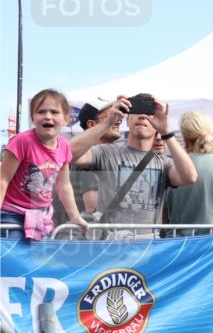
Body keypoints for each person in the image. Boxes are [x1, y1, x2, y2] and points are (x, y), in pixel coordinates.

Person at [73, 93, 198, 238]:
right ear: (127, 119)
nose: (142, 116)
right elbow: (67, 154)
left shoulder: (163, 162)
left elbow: (190, 176)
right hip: (111, 248)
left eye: (150, 113)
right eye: (137, 110)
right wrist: (107, 122)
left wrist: (166, 132)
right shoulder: (106, 153)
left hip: (147, 248)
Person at [0, 89, 94, 239]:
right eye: (41, 112)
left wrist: (75, 216)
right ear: (32, 118)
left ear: (66, 119)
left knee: (38, 258)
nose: (47, 116)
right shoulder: (21, 141)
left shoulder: (64, 146)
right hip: (12, 214)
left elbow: (63, 185)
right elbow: (3, 180)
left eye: (54, 112)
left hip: (41, 215)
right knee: (14, 258)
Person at [53, 99, 122, 226]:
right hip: (81, 240)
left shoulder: (85, 159)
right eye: (111, 116)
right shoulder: (90, 162)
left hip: (69, 237)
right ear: (91, 124)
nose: (117, 121)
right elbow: (92, 209)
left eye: (119, 116)